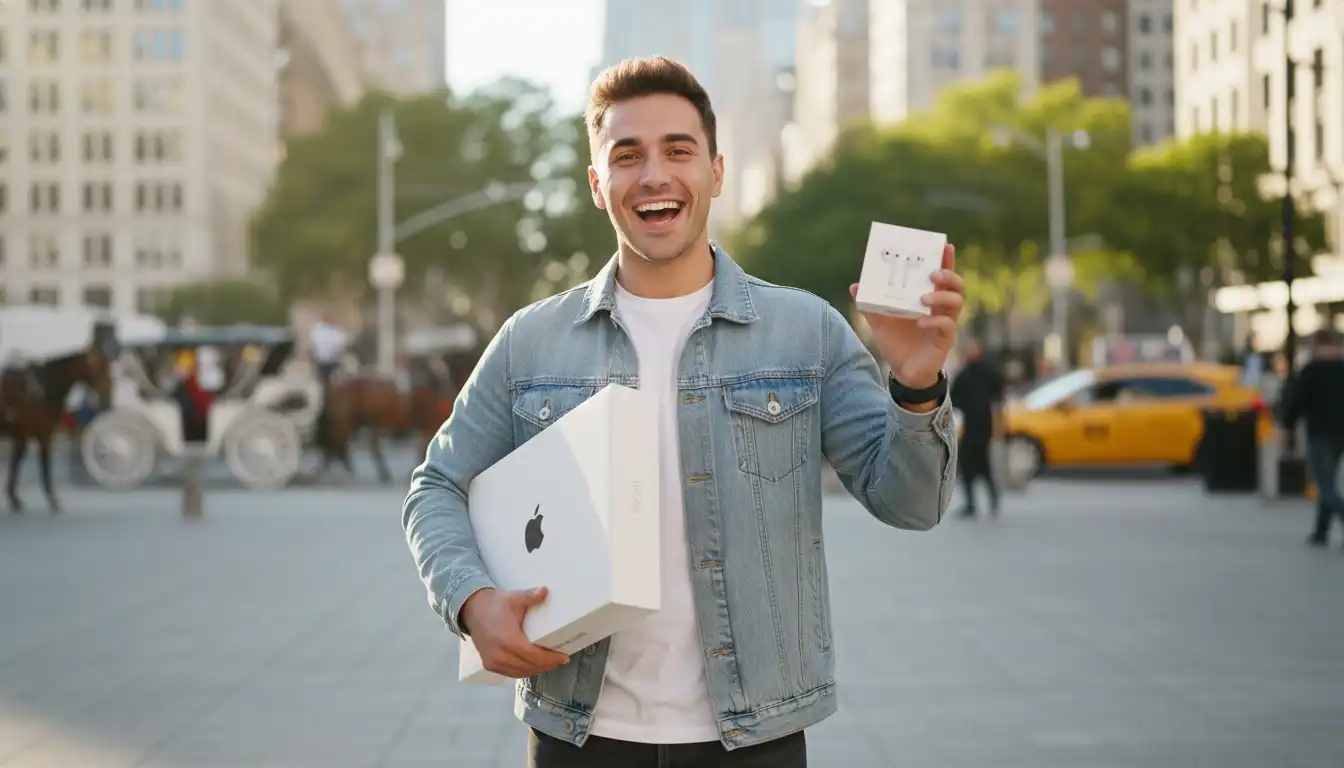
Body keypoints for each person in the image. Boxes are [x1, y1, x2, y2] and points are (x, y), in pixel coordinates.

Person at [402, 56, 963, 768]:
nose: (655, 175)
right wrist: (471, 599)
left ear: (717, 173)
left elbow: (912, 503)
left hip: (755, 739)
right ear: (597, 184)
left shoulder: (806, 331)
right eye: (627, 155)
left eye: (678, 150)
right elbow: (437, 486)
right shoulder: (530, 342)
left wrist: (916, 381)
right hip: (578, 737)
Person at [1279, 328, 1344, 547]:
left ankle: (1325, 528)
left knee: (1324, 483)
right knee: (1328, 480)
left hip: (1319, 433)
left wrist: (1287, 427)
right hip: (1339, 434)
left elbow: (1295, 402)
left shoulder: (1311, 371)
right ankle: (1321, 531)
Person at [949, 338, 1005, 517]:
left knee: (982, 465)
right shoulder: (964, 374)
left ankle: (990, 498)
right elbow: (953, 397)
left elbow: (999, 395)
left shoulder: (988, 372)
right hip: (970, 426)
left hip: (984, 426)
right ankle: (972, 503)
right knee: (967, 466)